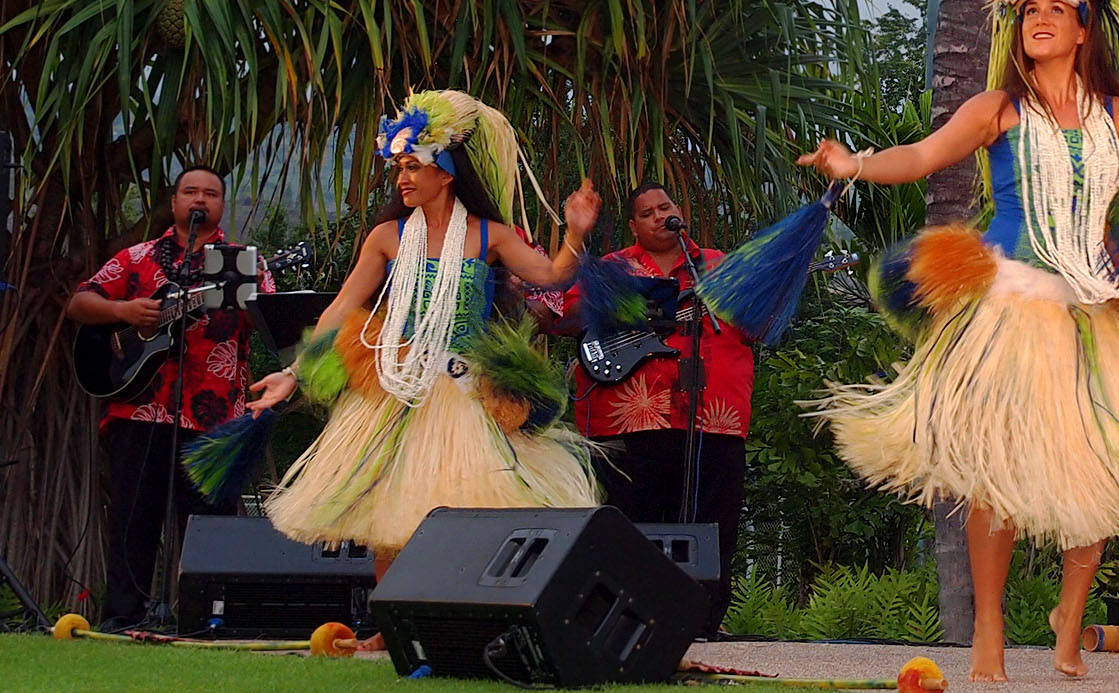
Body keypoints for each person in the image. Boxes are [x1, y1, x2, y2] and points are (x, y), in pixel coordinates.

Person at [800, 0, 1119, 682]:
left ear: (1085, 27)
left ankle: (1068, 621)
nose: (1041, 20)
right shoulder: (997, 108)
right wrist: (853, 165)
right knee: (994, 476)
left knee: (1099, 471)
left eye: (1056, 9)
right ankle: (989, 632)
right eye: (1029, 10)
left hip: (1093, 310)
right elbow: (924, 156)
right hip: (1011, 305)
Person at [242, 92, 600, 599]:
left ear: (447, 173)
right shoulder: (388, 236)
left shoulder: (488, 236)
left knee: (463, 505)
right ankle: (391, 621)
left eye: (413, 166)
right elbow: (340, 309)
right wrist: (294, 373)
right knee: (390, 506)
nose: (403, 178)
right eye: (398, 168)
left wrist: (576, 232)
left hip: (463, 389)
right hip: (397, 386)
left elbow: (553, 276)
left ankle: (458, 609)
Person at [64, 165, 270, 627]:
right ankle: (123, 617)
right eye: (190, 192)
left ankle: (203, 621)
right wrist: (124, 310)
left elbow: (271, 325)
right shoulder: (138, 257)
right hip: (141, 407)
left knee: (209, 528)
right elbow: (80, 302)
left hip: (216, 415)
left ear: (221, 205)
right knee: (133, 519)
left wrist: (250, 302)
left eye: (211, 194)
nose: (200, 200)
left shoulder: (241, 263)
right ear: (174, 202)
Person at [548, 183, 752, 590]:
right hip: (628, 418)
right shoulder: (610, 269)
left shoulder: (722, 267)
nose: (660, 216)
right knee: (630, 520)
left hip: (712, 416)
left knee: (712, 522)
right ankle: (630, 612)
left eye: (666, 206)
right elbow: (563, 317)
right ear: (633, 226)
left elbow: (760, 327)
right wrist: (622, 309)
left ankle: (705, 615)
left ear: (680, 211)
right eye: (648, 213)